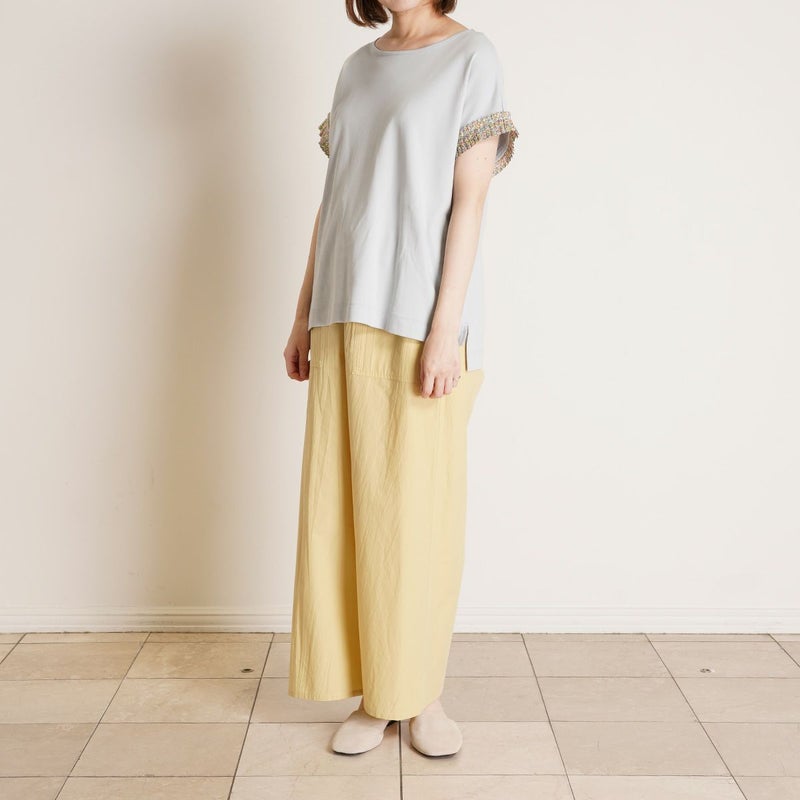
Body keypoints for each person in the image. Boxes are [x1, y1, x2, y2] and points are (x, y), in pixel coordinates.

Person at [283, 0, 518, 757]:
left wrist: (445, 328)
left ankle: (419, 694)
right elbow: (335, 201)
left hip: (419, 318)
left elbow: (470, 203)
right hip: (342, 309)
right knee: (347, 512)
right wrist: (303, 312)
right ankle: (374, 693)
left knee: (416, 514)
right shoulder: (357, 68)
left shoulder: (472, 57)